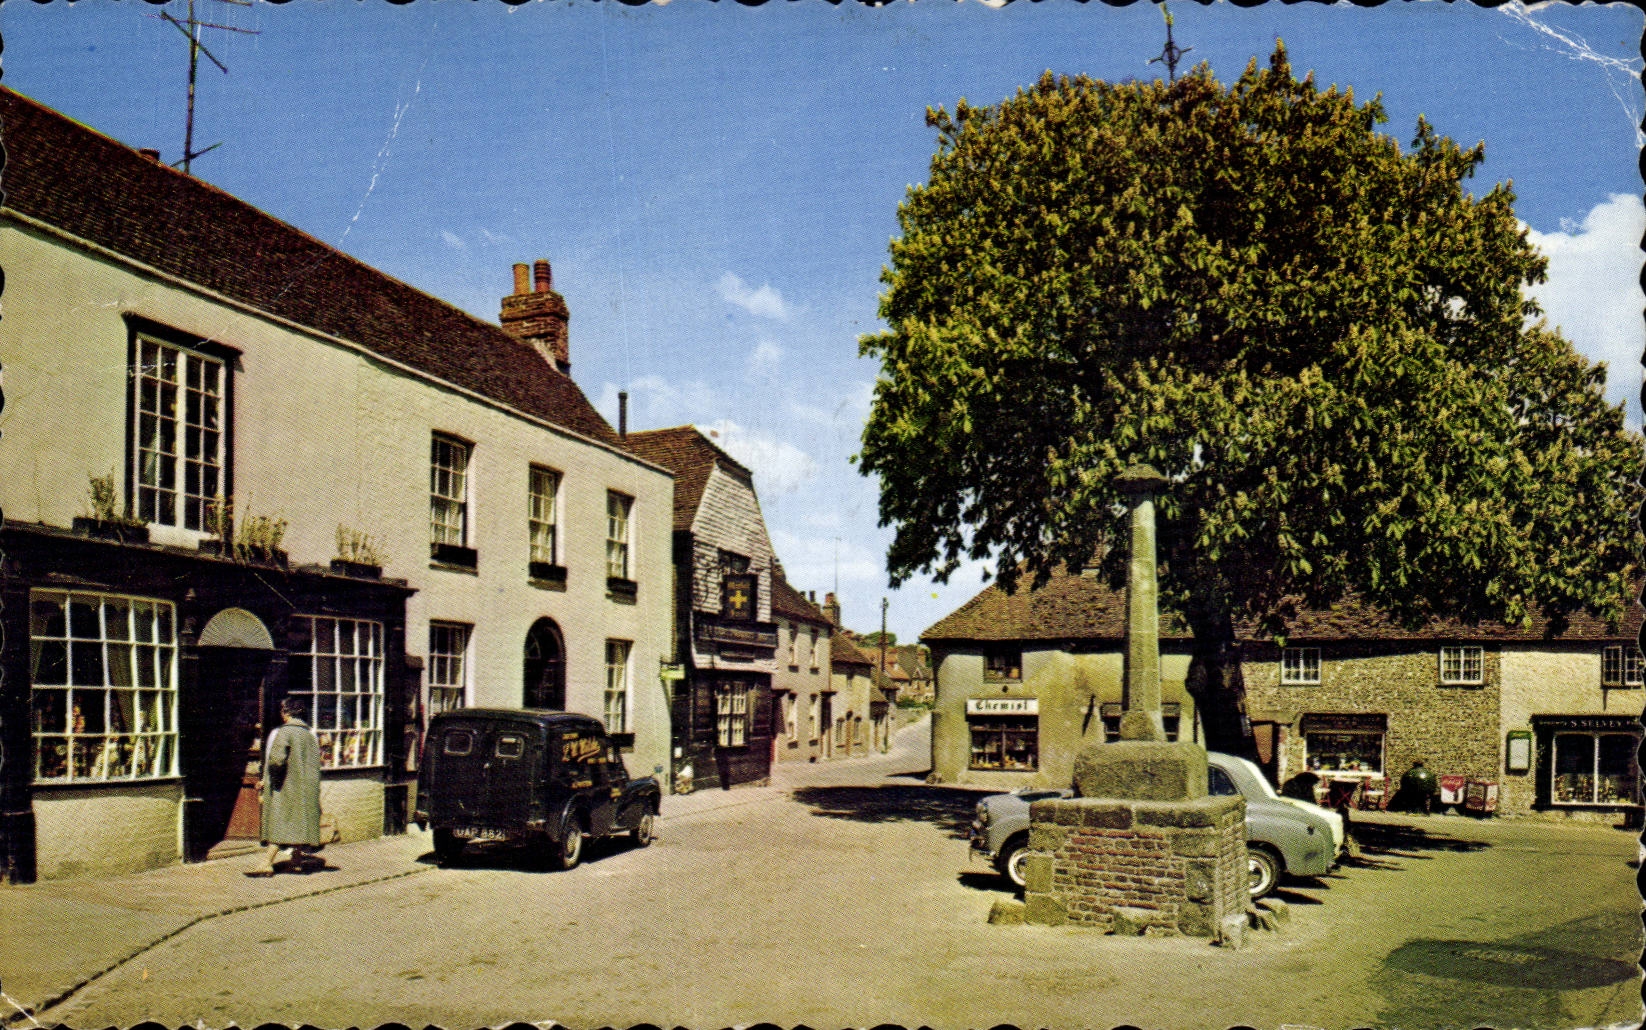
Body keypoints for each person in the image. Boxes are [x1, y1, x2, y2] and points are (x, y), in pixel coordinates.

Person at [247, 696, 323, 876]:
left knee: (280, 823)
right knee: (297, 822)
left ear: (287, 712)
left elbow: (276, 760)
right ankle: (296, 861)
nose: (281, 714)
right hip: (306, 788)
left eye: (282, 711)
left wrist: (269, 779)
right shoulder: (310, 734)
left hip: (286, 786)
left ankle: (266, 863)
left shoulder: (285, 732)